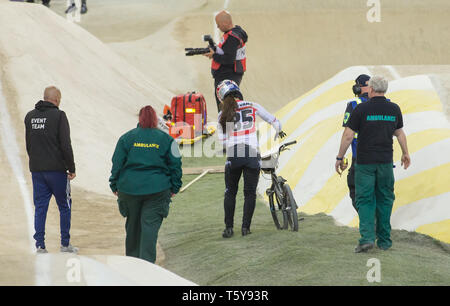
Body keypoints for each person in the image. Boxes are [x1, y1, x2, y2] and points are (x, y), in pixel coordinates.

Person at [335, 76, 411, 253]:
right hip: (385, 162)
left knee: (365, 199)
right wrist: (406, 153)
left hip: (364, 163)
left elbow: (348, 136)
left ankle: (367, 239)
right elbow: (400, 134)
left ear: (371, 89)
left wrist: (340, 157)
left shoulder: (361, 109)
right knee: (385, 200)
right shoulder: (394, 108)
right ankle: (384, 241)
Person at [109, 105, 182, 263]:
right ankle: (147, 270)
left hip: (129, 189)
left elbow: (116, 163)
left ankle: (132, 267)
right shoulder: (168, 140)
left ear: (139, 119)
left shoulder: (126, 138)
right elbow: (176, 164)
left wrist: (114, 184)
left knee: (133, 228)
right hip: (157, 190)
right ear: (156, 120)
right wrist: (175, 187)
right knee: (149, 229)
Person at [217, 80, 285, 238]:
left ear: (221, 97)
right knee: (250, 193)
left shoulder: (222, 113)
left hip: (234, 154)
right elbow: (274, 121)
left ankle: (228, 228)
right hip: (252, 154)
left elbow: (223, 141)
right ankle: (245, 228)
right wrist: (278, 131)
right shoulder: (252, 105)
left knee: (230, 192)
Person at [24, 86, 78, 254]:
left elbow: (29, 144)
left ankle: (40, 245)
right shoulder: (59, 116)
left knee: (40, 207)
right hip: (56, 171)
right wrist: (71, 167)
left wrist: (35, 162)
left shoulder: (30, 116)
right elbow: (65, 145)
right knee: (64, 206)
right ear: (56, 100)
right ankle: (65, 244)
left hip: (37, 170)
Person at [203, 10, 248, 112]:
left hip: (227, 76)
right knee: (227, 105)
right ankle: (228, 127)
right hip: (228, 75)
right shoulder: (234, 33)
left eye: (218, 24)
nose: (218, 27)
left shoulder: (232, 38)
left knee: (226, 107)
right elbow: (226, 52)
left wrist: (213, 55)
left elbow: (228, 59)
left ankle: (228, 127)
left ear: (224, 23)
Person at [341, 74, 371, 211]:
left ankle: (369, 222)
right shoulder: (388, 104)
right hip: (384, 157)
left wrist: (339, 157)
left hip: (360, 156)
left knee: (356, 191)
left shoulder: (353, 105)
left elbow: (348, 134)